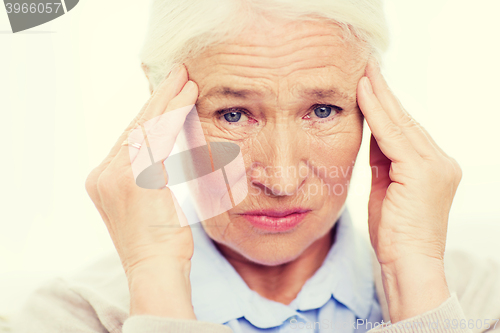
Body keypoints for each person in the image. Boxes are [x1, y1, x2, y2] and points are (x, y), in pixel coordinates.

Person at [10, 0, 500, 332]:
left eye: (323, 110)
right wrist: (155, 279)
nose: (283, 180)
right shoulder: (67, 317)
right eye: (233, 113)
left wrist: (412, 280)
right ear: (160, 111)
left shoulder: (478, 303)